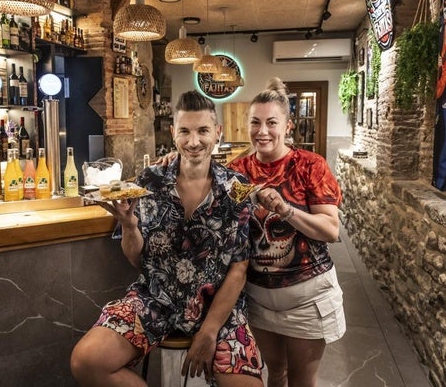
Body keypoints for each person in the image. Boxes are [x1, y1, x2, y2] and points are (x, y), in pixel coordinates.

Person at [70, 90, 263, 387]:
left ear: (217, 133)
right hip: (154, 298)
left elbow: (238, 270)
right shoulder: (149, 180)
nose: (194, 141)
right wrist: (129, 226)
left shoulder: (237, 189)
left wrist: (209, 332)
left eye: (202, 131)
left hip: (217, 308)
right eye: (185, 131)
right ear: (173, 133)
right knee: (86, 361)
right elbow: (137, 259)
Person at [228, 77, 346, 387]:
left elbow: (331, 230)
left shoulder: (310, 166)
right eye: (255, 122)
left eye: (271, 123)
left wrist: (285, 211)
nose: (262, 131)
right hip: (259, 298)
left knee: (301, 382)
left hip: (308, 299)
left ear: (288, 126)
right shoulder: (237, 171)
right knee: (275, 375)